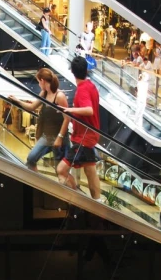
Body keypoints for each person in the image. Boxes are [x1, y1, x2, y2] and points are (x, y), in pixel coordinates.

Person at [56, 56, 101, 200]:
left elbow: (89, 110)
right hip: (89, 135)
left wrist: (70, 110)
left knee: (61, 170)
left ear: (72, 72)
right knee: (90, 171)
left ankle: (76, 201)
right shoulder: (91, 86)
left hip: (83, 138)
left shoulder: (82, 90)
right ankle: (97, 202)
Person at [9, 68, 69, 171]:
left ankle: (70, 187)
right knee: (31, 159)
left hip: (60, 138)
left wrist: (60, 137)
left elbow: (67, 119)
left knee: (60, 171)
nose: (39, 84)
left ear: (42, 81)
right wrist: (17, 101)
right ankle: (37, 184)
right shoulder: (44, 93)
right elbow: (32, 107)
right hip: (47, 137)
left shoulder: (59, 96)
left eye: (38, 82)